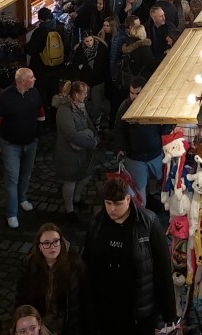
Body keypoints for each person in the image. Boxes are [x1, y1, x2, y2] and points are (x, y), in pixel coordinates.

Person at [81, 178, 176, 335]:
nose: (112, 209)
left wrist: (169, 314)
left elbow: (163, 269)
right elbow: (87, 262)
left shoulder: (147, 223)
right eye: (108, 203)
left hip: (138, 311)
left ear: (127, 199)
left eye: (117, 204)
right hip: (105, 309)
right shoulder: (98, 222)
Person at [0, 67, 46, 228]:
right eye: (32, 77)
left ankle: (23, 198)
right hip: (10, 145)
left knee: (26, 174)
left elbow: (41, 115)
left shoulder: (34, 93)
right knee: (12, 178)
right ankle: (12, 213)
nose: (35, 79)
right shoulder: (4, 98)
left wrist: (37, 136)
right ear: (22, 81)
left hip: (30, 142)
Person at [16, 223, 86, 335]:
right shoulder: (30, 265)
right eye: (46, 243)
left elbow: (82, 301)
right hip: (39, 324)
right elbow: (22, 297)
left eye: (55, 242)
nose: (52, 247)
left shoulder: (75, 266)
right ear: (40, 246)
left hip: (65, 324)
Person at [113, 78, 172, 208]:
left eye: (137, 93)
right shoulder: (124, 108)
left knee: (154, 179)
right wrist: (119, 149)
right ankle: (142, 215)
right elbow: (119, 130)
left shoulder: (154, 105)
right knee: (139, 190)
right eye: (132, 93)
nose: (134, 96)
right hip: (135, 157)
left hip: (154, 153)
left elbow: (166, 119)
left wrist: (163, 134)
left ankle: (151, 200)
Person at [51, 80, 98, 221]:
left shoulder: (80, 105)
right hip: (68, 152)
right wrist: (91, 141)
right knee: (70, 180)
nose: (86, 96)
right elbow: (71, 135)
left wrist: (95, 135)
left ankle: (77, 198)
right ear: (76, 95)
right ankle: (69, 209)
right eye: (84, 93)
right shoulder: (64, 111)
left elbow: (88, 121)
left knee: (85, 175)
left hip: (82, 149)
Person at [26, 7, 67, 113]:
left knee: (42, 95)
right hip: (56, 69)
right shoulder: (59, 29)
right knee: (54, 94)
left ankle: (45, 119)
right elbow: (65, 48)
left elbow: (30, 49)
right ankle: (54, 118)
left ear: (41, 19)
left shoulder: (39, 32)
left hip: (41, 70)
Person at [70, 31, 109, 128]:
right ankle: (85, 121)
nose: (90, 43)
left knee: (97, 104)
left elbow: (105, 64)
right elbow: (75, 64)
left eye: (91, 40)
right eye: (87, 41)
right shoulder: (79, 50)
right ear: (83, 41)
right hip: (85, 81)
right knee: (84, 102)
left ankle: (96, 123)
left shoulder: (101, 49)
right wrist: (81, 68)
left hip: (98, 80)